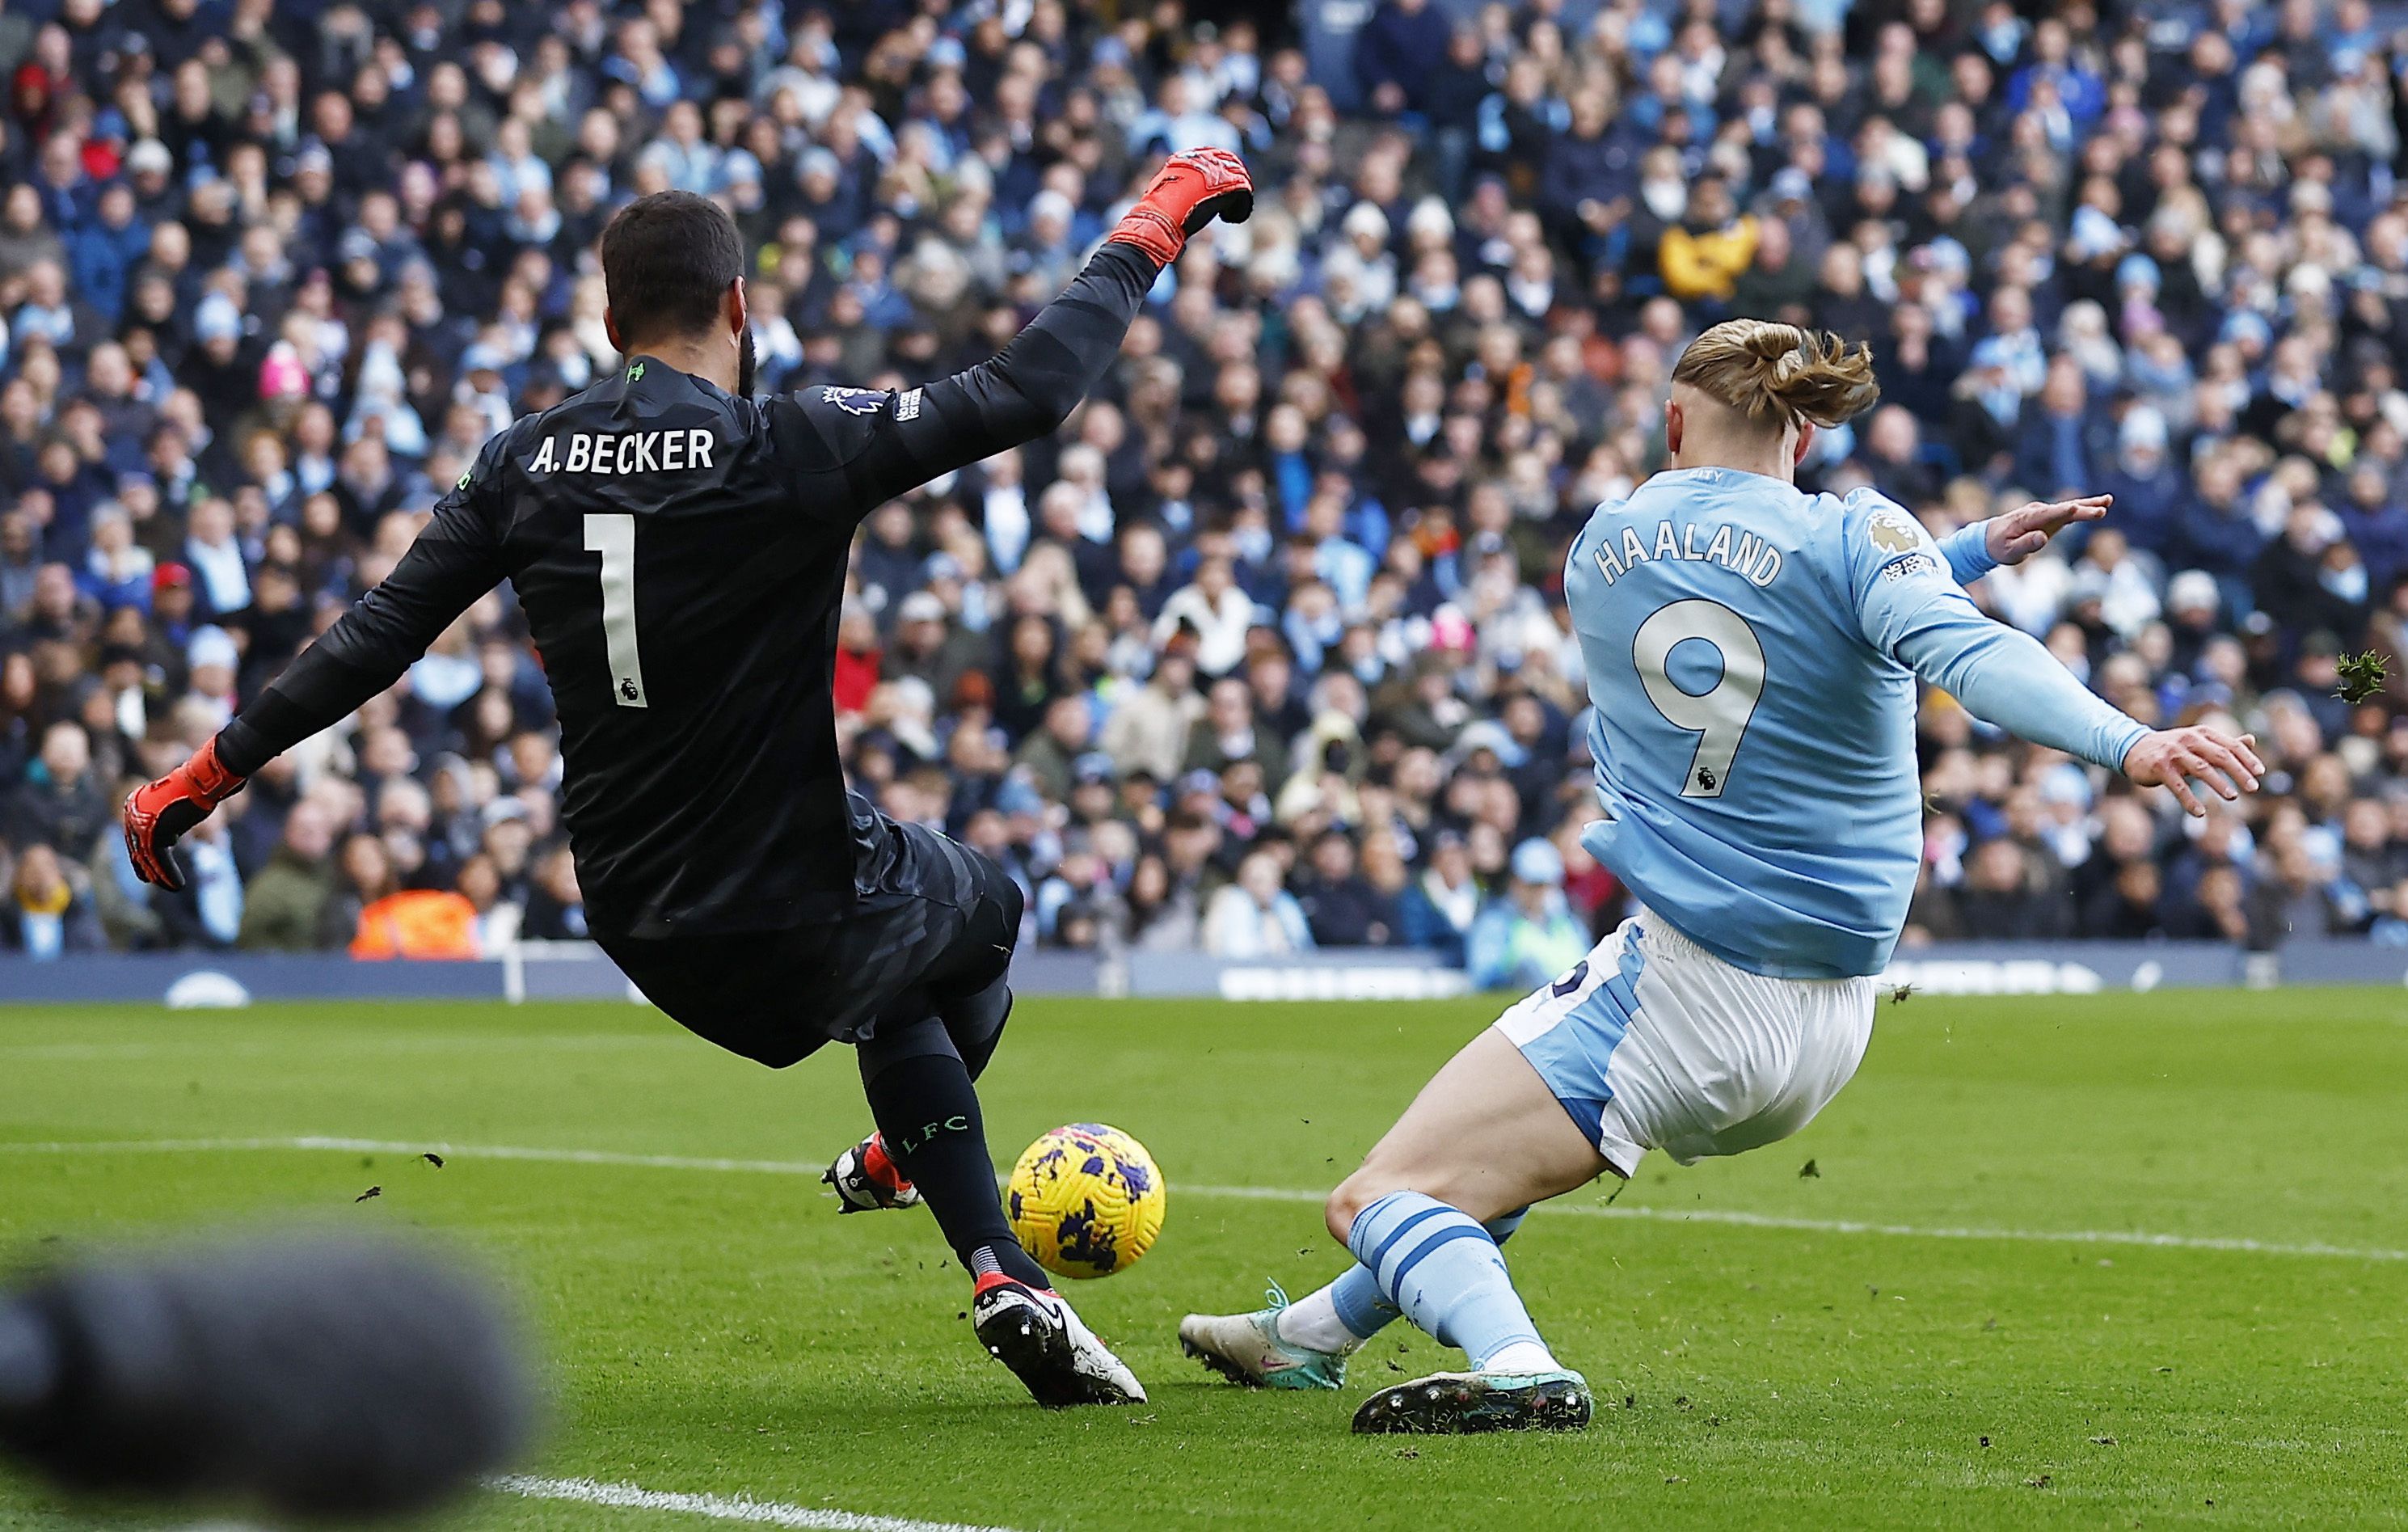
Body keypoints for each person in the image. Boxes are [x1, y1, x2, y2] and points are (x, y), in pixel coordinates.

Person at [120, 152, 1256, 1411]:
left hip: (636, 911)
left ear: (611, 325)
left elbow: (379, 633)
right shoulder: (790, 442)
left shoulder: (522, 464)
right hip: (797, 884)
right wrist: (1151, 229)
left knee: (894, 997)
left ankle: (994, 1264)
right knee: (987, 909)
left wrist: (204, 771)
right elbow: (1028, 391)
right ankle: (946, 1205)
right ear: (738, 307)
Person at [1178, 320, 2263, 1434]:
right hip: (1835, 1017)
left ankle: (1515, 1363)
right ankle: (1304, 1341)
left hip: (1691, 991)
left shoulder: (1604, 540)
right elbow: (1941, 642)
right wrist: (2122, 734)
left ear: (1671, 424)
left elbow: (1744, 589)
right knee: (1480, 1167)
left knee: (1376, 1195)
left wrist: (1956, 550)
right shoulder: (1860, 532)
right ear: (1802, 427)